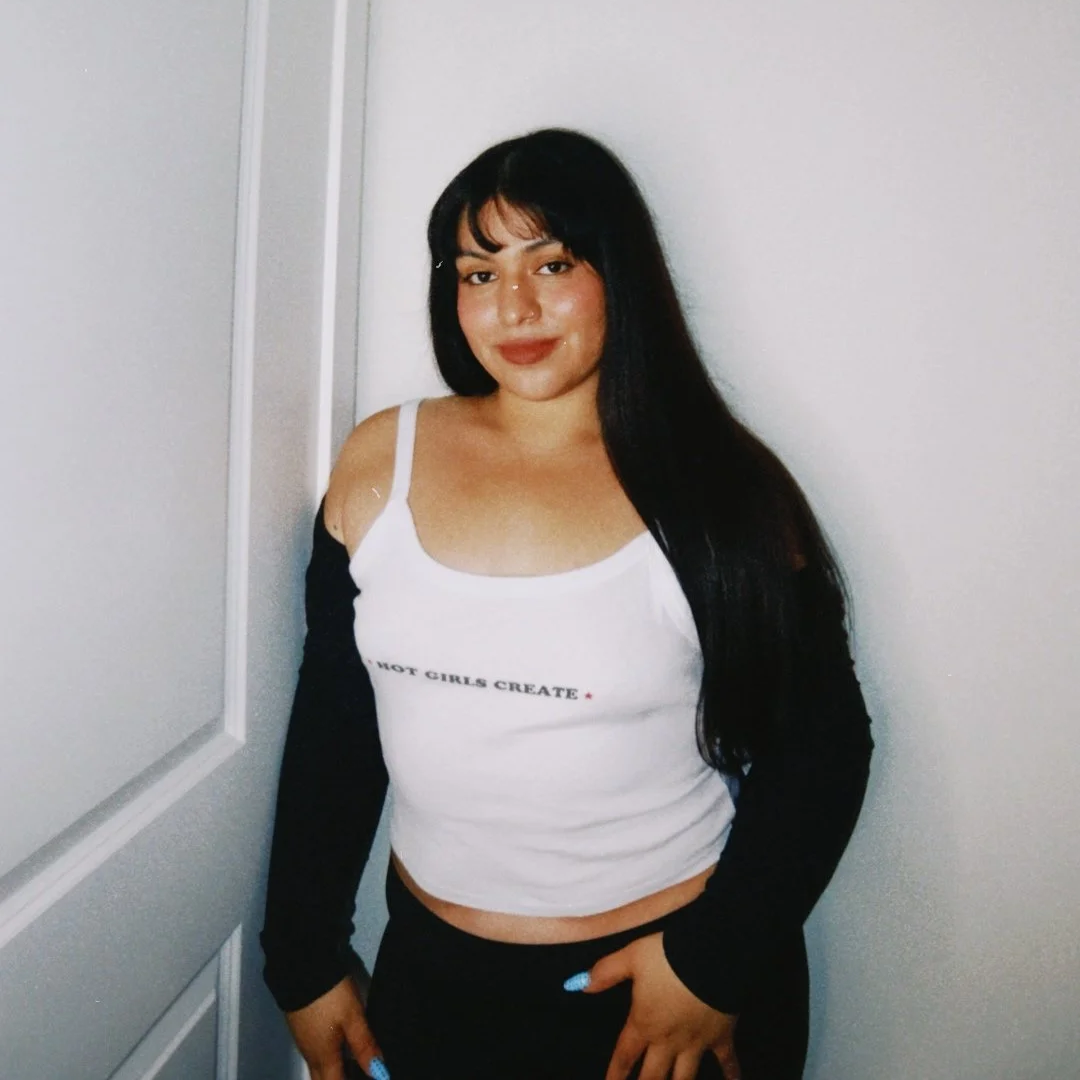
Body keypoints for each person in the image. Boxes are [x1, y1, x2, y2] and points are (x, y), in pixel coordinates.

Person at [260, 129, 873, 1080]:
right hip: (434, 988)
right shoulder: (381, 459)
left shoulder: (718, 490)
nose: (514, 307)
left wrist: (713, 965)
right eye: (479, 273)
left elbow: (823, 747)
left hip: (662, 1001)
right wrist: (301, 956)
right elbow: (337, 723)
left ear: (619, 274)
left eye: (552, 264)